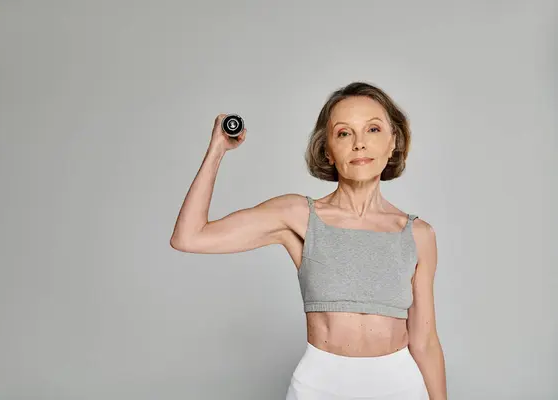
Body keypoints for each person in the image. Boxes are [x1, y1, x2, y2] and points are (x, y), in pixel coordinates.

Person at [170, 81, 447, 399]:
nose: (359, 144)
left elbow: (425, 342)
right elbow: (189, 237)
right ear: (328, 150)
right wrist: (217, 149)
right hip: (320, 386)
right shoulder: (298, 215)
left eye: (372, 129)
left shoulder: (418, 235)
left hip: (400, 387)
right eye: (344, 133)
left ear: (393, 142)